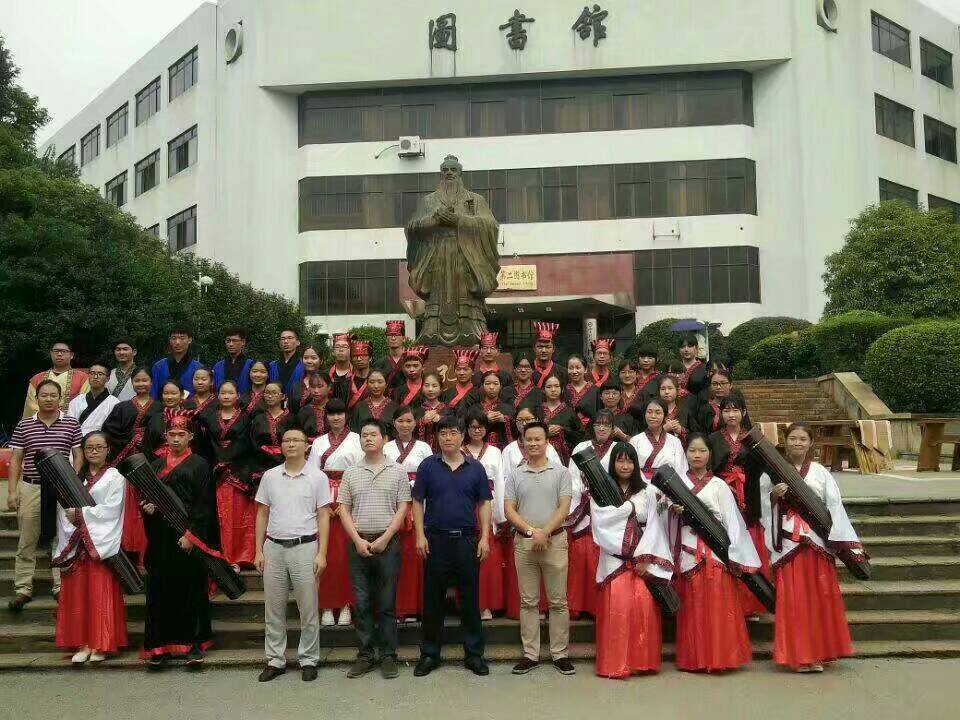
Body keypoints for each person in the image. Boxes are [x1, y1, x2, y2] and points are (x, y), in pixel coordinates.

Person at [761, 423, 865, 673]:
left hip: (817, 542)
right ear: (785, 441)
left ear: (810, 443)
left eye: (802, 439)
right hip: (788, 543)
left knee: (820, 599)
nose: (797, 443)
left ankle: (818, 653)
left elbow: (835, 506)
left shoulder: (820, 472)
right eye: (793, 438)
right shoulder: (771, 472)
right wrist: (773, 496)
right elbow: (762, 507)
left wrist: (840, 539)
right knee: (794, 602)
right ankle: (798, 656)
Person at [412, 415, 492, 677]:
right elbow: (417, 502)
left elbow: (484, 503)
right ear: (437, 437)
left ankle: (474, 655)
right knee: (433, 600)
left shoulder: (475, 468)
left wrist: (485, 538)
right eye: (443, 433)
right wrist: (420, 535)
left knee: (469, 599)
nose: (448, 438)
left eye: (453, 433)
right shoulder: (428, 466)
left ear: (462, 436)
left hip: (467, 540)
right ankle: (429, 654)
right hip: (435, 540)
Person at [674, 433, 759, 673]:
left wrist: (735, 553)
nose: (697, 455)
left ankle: (720, 657)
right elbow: (662, 516)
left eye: (702, 451)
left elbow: (732, 521)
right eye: (692, 451)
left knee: (719, 606)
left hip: (717, 551)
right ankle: (696, 659)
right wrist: (672, 510)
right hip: (689, 549)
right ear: (685, 453)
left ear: (710, 454)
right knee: (694, 606)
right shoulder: (677, 483)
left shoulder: (720, 485)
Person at [590, 442, 673, 679]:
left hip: (642, 559)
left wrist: (644, 557)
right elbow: (601, 525)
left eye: (629, 461)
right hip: (614, 559)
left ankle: (642, 662)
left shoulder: (648, 491)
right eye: (620, 460)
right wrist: (629, 511)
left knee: (643, 607)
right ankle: (614, 663)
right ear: (613, 463)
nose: (625, 465)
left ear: (636, 464)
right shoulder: (601, 493)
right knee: (618, 608)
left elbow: (656, 526)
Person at [254, 427, 331, 683]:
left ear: (306, 446)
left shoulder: (317, 477)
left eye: (296, 440)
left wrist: (322, 553)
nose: (291, 444)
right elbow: (262, 513)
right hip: (273, 547)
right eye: (286, 440)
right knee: (273, 609)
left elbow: (323, 516)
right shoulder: (270, 476)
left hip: (305, 547)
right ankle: (275, 660)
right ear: (281, 446)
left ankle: (308, 659)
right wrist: (258, 550)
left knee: (308, 608)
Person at [142, 412, 220, 668]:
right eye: (172, 434)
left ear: (190, 437)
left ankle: (193, 645)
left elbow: (205, 505)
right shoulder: (155, 465)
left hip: (188, 537)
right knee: (159, 590)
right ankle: (159, 646)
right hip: (160, 537)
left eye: (181, 434)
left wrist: (191, 535)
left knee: (191, 590)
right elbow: (147, 497)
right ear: (165, 436)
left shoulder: (200, 465)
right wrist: (147, 508)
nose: (176, 439)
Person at [339, 419, 412, 679]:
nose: (368, 438)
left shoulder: (398, 470)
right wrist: (357, 540)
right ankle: (366, 655)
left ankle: (389, 655)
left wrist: (386, 537)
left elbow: (403, 507)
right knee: (361, 603)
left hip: (388, 544)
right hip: (358, 543)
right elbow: (343, 509)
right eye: (364, 435)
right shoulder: (351, 472)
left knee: (387, 603)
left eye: (373, 434)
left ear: (384, 439)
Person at [504, 421, 574, 675]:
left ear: (547, 442)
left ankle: (560, 654)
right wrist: (533, 532)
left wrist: (545, 532)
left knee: (558, 601)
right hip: (525, 543)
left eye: (538, 439)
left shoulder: (561, 472)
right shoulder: (515, 474)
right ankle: (530, 654)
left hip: (555, 541)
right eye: (529, 439)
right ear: (522, 443)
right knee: (528, 601)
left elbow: (564, 507)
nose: (533, 443)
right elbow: (509, 509)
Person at [53, 431, 128, 664]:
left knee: (99, 595)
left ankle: (100, 644)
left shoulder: (115, 477)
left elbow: (113, 510)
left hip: (100, 545)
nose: (93, 451)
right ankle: (82, 644)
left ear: (108, 450)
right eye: (89, 448)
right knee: (79, 597)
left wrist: (81, 515)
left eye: (99, 447)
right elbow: (64, 510)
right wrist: (73, 519)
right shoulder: (76, 478)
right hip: (78, 546)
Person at [7, 380, 82, 611]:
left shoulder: (71, 423)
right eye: (44, 395)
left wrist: (74, 484)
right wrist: (12, 491)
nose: (48, 399)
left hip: (62, 489)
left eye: (53, 395)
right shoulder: (24, 425)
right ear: (36, 398)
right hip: (32, 486)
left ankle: (60, 587)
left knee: (62, 538)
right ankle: (23, 589)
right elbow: (16, 460)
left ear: (60, 398)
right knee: (26, 539)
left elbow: (78, 456)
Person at [708, 395, 768, 618]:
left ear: (743, 412)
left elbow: (762, 468)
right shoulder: (713, 439)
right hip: (722, 494)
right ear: (720, 414)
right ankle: (728, 602)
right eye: (726, 410)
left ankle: (749, 603)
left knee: (749, 544)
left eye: (735, 410)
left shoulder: (754, 437)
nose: (731, 415)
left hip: (749, 494)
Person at [309, 399, 363, 627]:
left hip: (349, 498)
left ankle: (347, 604)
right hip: (324, 499)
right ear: (326, 417)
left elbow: (361, 472)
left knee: (345, 555)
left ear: (346, 416)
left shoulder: (357, 439)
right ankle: (326, 605)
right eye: (331, 414)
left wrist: (346, 503)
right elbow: (312, 475)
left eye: (340, 413)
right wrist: (323, 504)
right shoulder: (318, 442)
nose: (336, 418)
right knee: (325, 554)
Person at [565, 409, 616, 620]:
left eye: (606, 424)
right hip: (583, 508)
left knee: (602, 556)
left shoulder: (617, 449)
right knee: (580, 555)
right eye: (598, 424)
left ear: (613, 428)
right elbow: (572, 480)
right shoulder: (581, 447)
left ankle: (598, 606)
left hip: (608, 508)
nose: (602, 428)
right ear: (592, 426)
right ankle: (576, 604)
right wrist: (575, 509)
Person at [102, 367, 156, 564]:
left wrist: (146, 442)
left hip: (150, 464)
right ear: (132, 383)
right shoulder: (121, 407)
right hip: (125, 465)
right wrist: (131, 440)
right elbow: (109, 432)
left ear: (151, 382)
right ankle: (124, 548)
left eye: (145, 380)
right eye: (137, 380)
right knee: (125, 505)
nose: (141, 384)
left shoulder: (159, 407)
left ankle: (146, 553)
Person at [384, 408, 434, 622]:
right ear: (394, 423)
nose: (405, 425)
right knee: (392, 556)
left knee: (414, 555)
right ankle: (392, 607)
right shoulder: (386, 447)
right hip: (391, 501)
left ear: (416, 423)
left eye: (409, 421)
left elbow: (431, 476)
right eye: (400, 421)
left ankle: (414, 606)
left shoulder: (424, 447)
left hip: (417, 502)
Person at [199, 381, 255, 568]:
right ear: (218, 395)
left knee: (238, 517)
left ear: (237, 395)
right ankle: (219, 556)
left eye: (230, 393)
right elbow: (206, 445)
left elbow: (248, 445)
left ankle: (239, 557)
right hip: (215, 473)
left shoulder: (246, 418)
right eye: (223, 392)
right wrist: (216, 463)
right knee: (219, 517)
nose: (226, 396)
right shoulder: (208, 417)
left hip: (238, 473)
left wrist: (230, 462)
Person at [461, 408, 506, 621]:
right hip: (465, 504)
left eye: (480, 427)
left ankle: (486, 604)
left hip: (489, 503)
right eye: (472, 427)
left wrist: (501, 516)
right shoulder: (459, 451)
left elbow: (500, 482)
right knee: (466, 557)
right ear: (466, 429)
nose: (477, 431)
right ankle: (468, 605)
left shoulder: (495, 452)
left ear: (486, 429)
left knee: (488, 558)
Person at [22, 341, 90, 417]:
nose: (59, 354)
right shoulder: (37, 379)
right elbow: (31, 406)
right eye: (56, 351)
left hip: (71, 421)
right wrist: (50, 416)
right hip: (41, 422)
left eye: (64, 351)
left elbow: (84, 404)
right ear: (51, 354)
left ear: (71, 355)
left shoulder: (83, 378)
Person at [249, 382, 299, 484]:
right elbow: (253, 442)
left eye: (274, 393)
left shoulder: (292, 418)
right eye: (267, 393)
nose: (270, 396)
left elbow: (297, 442)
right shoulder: (258, 418)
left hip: (286, 463)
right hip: (262, 463)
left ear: (283, 396)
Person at [629, 399, 688, 481]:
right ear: (644, 415)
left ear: (665, 416)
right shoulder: (635, 440)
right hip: (642, 484)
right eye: (649, 412)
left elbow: (681, 469)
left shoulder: (675, 441)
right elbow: (630, 468)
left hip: (668, 485)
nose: (653, 416)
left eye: (658, 412)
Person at [68, 361, 120, 435]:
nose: (95, 377)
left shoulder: (114, 403)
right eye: (92, 373)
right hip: (77, 439)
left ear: (108, 378)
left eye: (100, 374)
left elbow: (114, 430)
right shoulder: (77, 401)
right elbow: (70, 425)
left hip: (102, 440)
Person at [150, 327, 202, 400]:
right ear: (170, 340)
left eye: (182, 338)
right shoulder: (159, 366)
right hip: (162, 406)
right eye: (174, 338)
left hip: (191, 406)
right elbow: (153, 393)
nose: (177, 342)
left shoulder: (198, 367)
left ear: (189, 340)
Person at [696, 365, 749, 434]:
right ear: (710, 386)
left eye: (723, 383)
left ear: (730, 385)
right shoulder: (705, 409)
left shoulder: (738, 405)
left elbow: (747, 428)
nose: (718, 387)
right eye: (715, 384)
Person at [541, 375, 581, 466]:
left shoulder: (569, 412)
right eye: (549, 387)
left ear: (562, 389)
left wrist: (563, 430)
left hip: (565, 458)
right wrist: (544, 433)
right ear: (543, 390)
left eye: (556, 386)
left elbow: (580, 435)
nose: (553, 390)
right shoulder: (537, 411)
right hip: (541, 455)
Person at [142, 380, 185, 459]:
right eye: (166, 393)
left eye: (173, 393)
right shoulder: (155, 419)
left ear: (182, 395)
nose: (169, 397)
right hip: (158, 463)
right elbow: (147, 447)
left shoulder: (189, 417)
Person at [476, 371, 516, 449]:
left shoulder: (509, 409)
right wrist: (485, 420)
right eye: (487, 383)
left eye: (495, 384)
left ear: (501, 386)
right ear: (482, 386)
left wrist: (505, 419)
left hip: (503, 449)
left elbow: (517, 429)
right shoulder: (475, 408)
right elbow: (469, 428)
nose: (491, 387)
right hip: (479, 448)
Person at [289, 344, 328, 416]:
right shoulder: (296, 385)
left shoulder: (328, 381)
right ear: (301, 360)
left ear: (321, 361)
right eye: (306, 358)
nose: (309, 361)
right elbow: (291, 411)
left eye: (313, 358)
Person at [213, 327, 253, 394]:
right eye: (228, 341)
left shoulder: (251, 365)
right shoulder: (218, 366)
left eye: (234, 340)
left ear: (243, 342)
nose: (231, 344)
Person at [414, 373, 447, 450]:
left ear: (441, 388)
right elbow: (409, 429)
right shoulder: (416, 410)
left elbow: (454, 428)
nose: (430, 389)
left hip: (442, 451)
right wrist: (422, 421)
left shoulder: (447, 410)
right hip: (420, 451)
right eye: (426, 385)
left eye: (434, 386)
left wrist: (440, 419)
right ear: (422, 388)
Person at [440, 347, 479, 412]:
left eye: (465, 369)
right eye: (458, 369)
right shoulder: (445, 394)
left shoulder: (478, 394)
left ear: (473, 371)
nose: (461, 373)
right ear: (454, 371)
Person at [564, 354, 598, 429]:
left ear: (585, 369)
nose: (574, 371)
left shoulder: (595, 390)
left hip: (590, 431)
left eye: (578, 368)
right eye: (571, 368)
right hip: (568, 431)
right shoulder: (563, 390)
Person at [269, 329, 305, 397]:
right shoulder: (272, 365)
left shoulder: (303, 365)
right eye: (283, 339)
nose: (286, 341)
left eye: (290, 338)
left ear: (298, 342)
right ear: (279, 343)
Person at [658, 374, 692, 445]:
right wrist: (664, 429)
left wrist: (681, 430)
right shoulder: (654, 411)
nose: (666, 392)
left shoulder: (685, 411)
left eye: (670, 388)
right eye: (663, 389)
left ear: (677, 391)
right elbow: (647, 434)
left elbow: (694, 434)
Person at [532, 322, 566, 389]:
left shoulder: (563, 373)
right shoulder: (527, 370)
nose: (544, 350)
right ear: (534, 348)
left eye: (547, 347)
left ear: (553, 349)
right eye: (540, 347)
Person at [376, 320, 407, 389]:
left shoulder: (410, 360)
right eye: (390, 335)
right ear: (386, 339)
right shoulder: (379, 363)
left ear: (404, 338)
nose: (393, 338)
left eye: (397, 335)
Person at [677, 334, 708, 402]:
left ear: (696, 348)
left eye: (689, 346)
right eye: (683, 347)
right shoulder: (674, 367)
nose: (686, 350)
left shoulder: (704, 369)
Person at [326, 333, 355, 405]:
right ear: (333, 352)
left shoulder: (357, 374)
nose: (341, 350)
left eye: (345, 347)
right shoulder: (326, 375)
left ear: (351, 351)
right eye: (337, 347)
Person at [345, 339, 373, 411]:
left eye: (363, 355)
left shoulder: (378, 380)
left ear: (370, 358)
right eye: (355, 355)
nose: (359, 359)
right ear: (351, 358)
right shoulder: (345, 381)